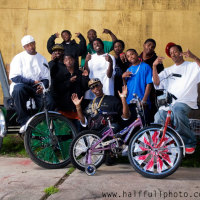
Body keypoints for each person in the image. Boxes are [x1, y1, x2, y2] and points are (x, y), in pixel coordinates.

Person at [153, 42, 200, 154]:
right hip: (169, 103)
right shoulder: (168, 70)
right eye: (170, 53)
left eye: (175, 52)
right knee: (158, 116)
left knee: (177, 110)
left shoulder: (191, 66)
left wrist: (194, 57)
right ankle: (164, 144)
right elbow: (156, 82)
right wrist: (154, 66)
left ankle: (188, 142)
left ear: (181, 53)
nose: (173, 54)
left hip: (185, 101)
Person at [9, 35, 53, 133]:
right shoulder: (18, 58)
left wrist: (42, 86)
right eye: (27, 46)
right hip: (23, 85)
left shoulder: (42, 59)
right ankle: (24, 121)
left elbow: (46, 78)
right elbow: (14, 77)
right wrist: (31, 82)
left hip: (37, 87)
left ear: (35, 43)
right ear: (24, 47)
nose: (31, 47)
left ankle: (40, 124)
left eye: (32, 44)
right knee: (18, 90)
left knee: (49, 100)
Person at [50, 53, 89, 130]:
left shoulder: (79, 73)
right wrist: (69, 82)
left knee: (78, 132)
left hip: (76, 109)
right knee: (63, 134)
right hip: (63, 109)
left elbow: (84, 88)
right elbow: (57, 90)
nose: (68, 61)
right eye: (66, 60)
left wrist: (85, 77)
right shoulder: (59, 74)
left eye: (70, 59)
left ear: (74, 60)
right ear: (64, 62)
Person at [122, 49, 152, 124]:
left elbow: (149, 84)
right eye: (128, 56)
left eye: (132, 54)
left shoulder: (146, 66)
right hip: (130, 101)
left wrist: (144, 100)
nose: (131, 57)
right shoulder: (128, 69)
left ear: (136, 54)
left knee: (144, 125)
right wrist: (123, 78)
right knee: (133, 127)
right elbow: (125, 86)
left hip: (141, 101)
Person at [139, 38, 164, 123]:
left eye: (153, 47)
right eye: (148, 45)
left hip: (152, 95)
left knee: (150, 119)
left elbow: (159, 79)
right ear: (144, 45)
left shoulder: (157, 61)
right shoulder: (137, 58)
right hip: (138, 92)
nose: (150, 47)